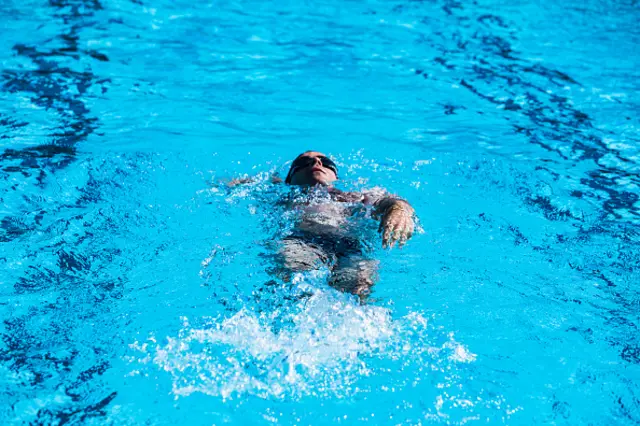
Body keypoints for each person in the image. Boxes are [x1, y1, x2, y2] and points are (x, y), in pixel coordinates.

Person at [230, 150, 416, 299]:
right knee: (293, 271)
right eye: (304, 163)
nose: (316, 163)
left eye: (324, 161)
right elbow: (236, 185)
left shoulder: (358, 195)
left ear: (335, 175)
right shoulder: (282, 194)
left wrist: (399, 211)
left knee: (359, 287)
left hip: (351, 247)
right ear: (289, 180)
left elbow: (390, 200)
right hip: (301, 241)